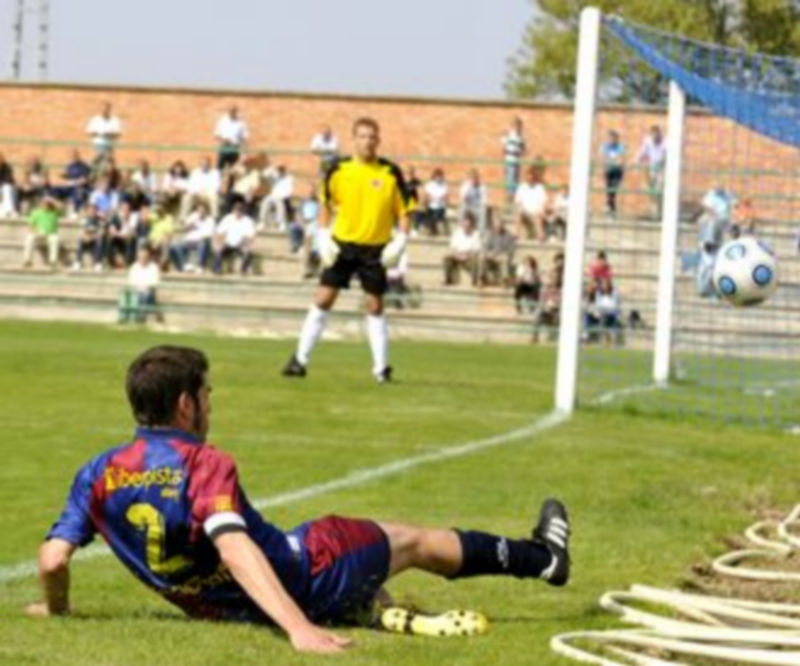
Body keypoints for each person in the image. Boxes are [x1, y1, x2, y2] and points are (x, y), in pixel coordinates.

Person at [27, 346, 571, 652]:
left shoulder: (97, 473)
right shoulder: (204, 463)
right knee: (410, 540)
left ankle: (375, 609)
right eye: (208, 393)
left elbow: (53, 558)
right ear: (186, 404)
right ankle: (543, 559)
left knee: (359, 566)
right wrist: (299, 629)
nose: (213, 403)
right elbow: (237, 549)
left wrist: (58, 610)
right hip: (311, 570)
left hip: (228, 612)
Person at [282, 117, 412, 382]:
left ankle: (381, 369)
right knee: (323, 299)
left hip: (375, 248)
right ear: (354, 139)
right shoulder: (338, 169)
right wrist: (322, 235)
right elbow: (324, 204)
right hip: (343, 245)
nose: (367, 141)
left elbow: (405, 210)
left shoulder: (390, 173)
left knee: (375, 305)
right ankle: (299, 360)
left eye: (372, 136)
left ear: (379, 140)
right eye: (362, 136)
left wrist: (401, 239)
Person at [212, 200, 256, 275]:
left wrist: (247, 244)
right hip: (228, 244)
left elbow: (251, 237)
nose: (238, 212)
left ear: (243, 211)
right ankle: (217, 269)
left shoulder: (247, 221)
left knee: (247, 252)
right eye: (236, 210)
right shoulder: (228, 218)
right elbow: (218, 232)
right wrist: (219, 243)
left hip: (241, 244)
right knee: (219, 250)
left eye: (240, 210)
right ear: (233, 210)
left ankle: (243, 270)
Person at [22, 196, 63, 268]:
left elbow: (61, 206)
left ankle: (53, 261)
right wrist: (37, 232)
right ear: (40, 204)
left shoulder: (54, 212)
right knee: (29, 238)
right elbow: (31, 227)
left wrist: (52, 200)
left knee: (55, 239)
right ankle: (27, 260)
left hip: (50, 235)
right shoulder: (35, 212)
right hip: (38, 235)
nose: (45, 205)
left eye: (47, 203)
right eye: (44, 203)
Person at [443, 211, 482, 286]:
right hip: (457, 254)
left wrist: (466, 255)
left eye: (468, 225)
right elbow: (452, 247)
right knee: (446, 258)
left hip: (469, 256)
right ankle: (448, 279)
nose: (466, 227)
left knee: (475, 258)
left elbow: (477, 249)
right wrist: (457, 255)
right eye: (465, 225)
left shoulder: (476, 234)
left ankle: (474, 280)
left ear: (472, 225)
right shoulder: (457, 233)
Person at [635, 126, 666, 219]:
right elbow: (641, 152)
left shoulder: (665, 142)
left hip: (662, 168)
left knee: (659, 189)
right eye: (653, 135)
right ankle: (655, 213)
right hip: (651, 167)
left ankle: (660, 212)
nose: (654, 137)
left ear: (659, 134)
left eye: (656, 134)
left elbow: (668, 153)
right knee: (652, 191)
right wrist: (637, 163)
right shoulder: (647, 141)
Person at [126, 246, 163, 323]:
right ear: (138, 257)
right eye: (141, 257)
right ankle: (142, 316)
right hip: (137, 291)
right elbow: (131, 282)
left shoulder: (153, 267)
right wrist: (138, 288)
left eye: (144, 257)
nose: (142, 258)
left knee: (146, 295)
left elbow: (155, 282)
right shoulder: (134, 267)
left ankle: (141, 316)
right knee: (137, 295)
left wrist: (145, 287)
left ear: (148, 257)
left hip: (149, 292)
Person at [514, 165, 549, 241]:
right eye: (528, 178)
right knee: (518, 213)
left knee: (538, 215)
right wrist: (519, 209)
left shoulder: (540, 188)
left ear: (534, 178)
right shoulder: (521, 187)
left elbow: (544, 202)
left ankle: (541, 236)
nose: (529, 179)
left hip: (536, 212)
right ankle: (516, 235)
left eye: (531, 178)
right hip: (525, 212)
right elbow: (518, 202)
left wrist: (542, 211)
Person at [215, 105, 249, 170]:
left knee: (233, 169)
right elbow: (216, 134)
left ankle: (232, 180)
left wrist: (244, 152)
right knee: (219, 168)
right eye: (230, 111)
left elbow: (245, 137)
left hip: (235, 147)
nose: (231, 113)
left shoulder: (241, 122)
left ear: (236, 112)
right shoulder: (223, 120)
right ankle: (218, 179)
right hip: (224, 147)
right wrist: (223, 139)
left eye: (233, 111)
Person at [600, 130, 625, 217]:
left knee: (613, 190)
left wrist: (613, 161)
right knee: (609, 189)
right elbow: (603, 158)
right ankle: (611, 209)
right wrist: (612, 161)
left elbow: (620, 159)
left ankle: (609, 208)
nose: (612, 140)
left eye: (613, 138)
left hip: (617, 171)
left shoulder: (620, 147)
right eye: (610, 138)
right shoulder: (605, 146)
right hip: (608, 170)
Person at [502, 117, 526, 204]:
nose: (518, 128)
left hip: (517, 159)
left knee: (516, 178)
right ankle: (509, 196)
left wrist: (521, 151)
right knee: (510, 177)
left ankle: (514, 196)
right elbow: (503, 146)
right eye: (517, 125)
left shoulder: (522, 136)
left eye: (520, 126)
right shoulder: (509, 134)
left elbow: (524, 148)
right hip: (510, 158)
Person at [421, 168, 449, 236]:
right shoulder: (430, 184)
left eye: (440, 176)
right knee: (426, 213)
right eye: (437, 176)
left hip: (440, 206)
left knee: (437, 215)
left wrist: (441, 198)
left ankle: (433, 228)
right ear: (434, 176)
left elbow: (446, 196)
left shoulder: (444, 185)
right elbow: (426, 195)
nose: (438, 178)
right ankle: (431, 228)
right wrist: (430, 198)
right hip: (431, 206)